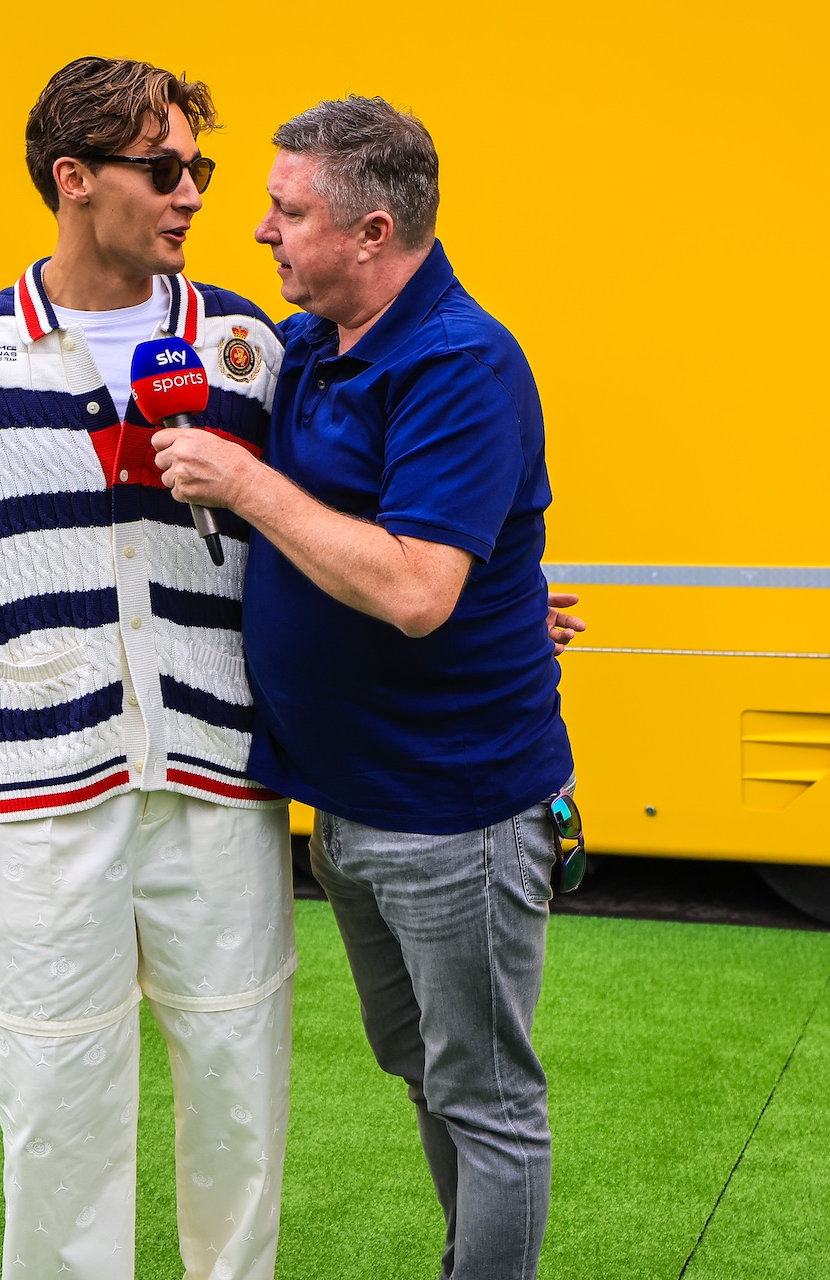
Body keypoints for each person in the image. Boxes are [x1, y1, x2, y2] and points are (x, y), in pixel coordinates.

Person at [0, 57, 297, 1280]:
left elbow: (345, 512)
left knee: (241, 1093)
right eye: (164, 169)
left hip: (220, 785)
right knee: (55, 1094)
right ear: (73, 180)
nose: (193, 193)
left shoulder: (245, 348)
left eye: (201, 166)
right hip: (44, 792)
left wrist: (493, 604)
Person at [152, 96, 573, 1280]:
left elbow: (415, 590)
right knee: (425, 1064)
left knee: (486, 1095)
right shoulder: (324, 342)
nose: (259, 231)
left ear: (373, 230)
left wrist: (243, 482)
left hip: (456, 814)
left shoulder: (460, 362)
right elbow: (432, 547)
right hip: (353, 806)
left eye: (286, 211)